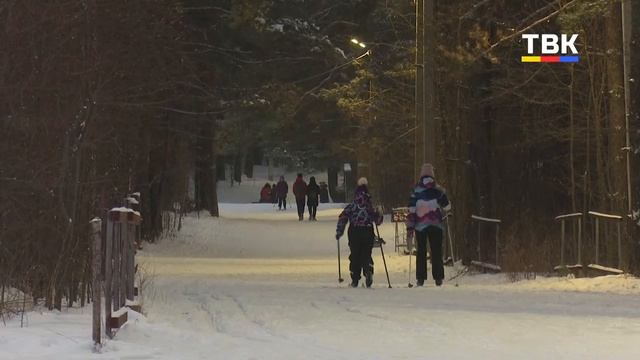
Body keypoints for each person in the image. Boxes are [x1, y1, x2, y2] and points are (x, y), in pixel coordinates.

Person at [406, 163, 451, 287]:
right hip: (436, 225)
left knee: (421, 251)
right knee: (436, 251)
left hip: (420, 226)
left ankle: (420, 278)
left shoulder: (415, 190)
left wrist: (410, 226)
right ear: (432, 175)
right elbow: (447, 206)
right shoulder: (438, 190)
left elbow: (411, 209)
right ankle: (438, 277)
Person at [335, 178, 383, 288]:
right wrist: (379, 214)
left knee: (355, 255)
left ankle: (355, 279)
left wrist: (339, 231)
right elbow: (378, 221)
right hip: (367, 231)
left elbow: (343, 217)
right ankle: (368, 271)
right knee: (366, 254)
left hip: (354, 231)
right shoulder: (369, 206)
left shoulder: (353, 205)